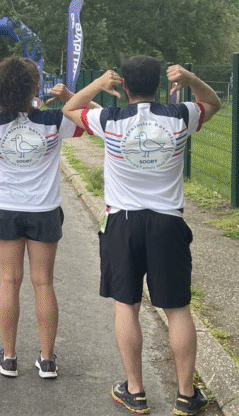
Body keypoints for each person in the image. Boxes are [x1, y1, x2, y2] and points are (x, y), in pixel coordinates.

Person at [62, 56, 221, 415]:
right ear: (160, 84)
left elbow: (70, 108)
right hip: (167, 222)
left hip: (122, 223)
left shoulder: (110, 119)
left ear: (125, 86)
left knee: (126, 305)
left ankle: (135, 391)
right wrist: (191, 77)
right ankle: (186, 395)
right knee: (177, 309)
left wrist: (97, 85)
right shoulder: (180, 116)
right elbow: (213, 103)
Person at [0, 57, 94, 381]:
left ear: (1, 88)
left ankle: (9, 358)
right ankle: (47, 360)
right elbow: (94, 118)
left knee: (9, 281)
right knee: (44, 283)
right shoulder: (55, 120)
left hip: (6, 209)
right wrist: (70, 97)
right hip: (44, 210)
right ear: (34, 88)